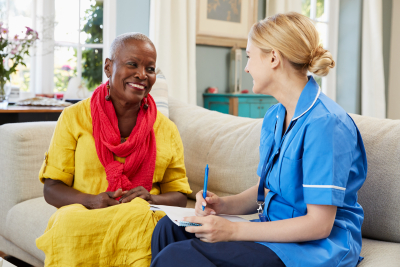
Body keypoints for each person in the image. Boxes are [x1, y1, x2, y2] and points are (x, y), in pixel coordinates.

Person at [151, 12, 367, 267]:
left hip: (313, 247)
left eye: (250, 56)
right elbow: (265, 191)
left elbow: (318, 225)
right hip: (271, 229)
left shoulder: (326, 124)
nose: (247, 66)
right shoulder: (275, 117)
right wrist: (222, 206)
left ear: (274, 58)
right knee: (168, 229)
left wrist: (232, 231)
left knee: (177, 257)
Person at [36, 32, 192, 267]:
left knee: (142, 219)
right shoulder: (74, 118)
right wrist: (91, 200)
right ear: (109, 67)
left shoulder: (166, 129)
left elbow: (179, 196)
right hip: (86, 211)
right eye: (132, 64)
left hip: (140, 214)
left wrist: (151, 198)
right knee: (66, 222)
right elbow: (52, 188)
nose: (142, 74)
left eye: (150, 69)